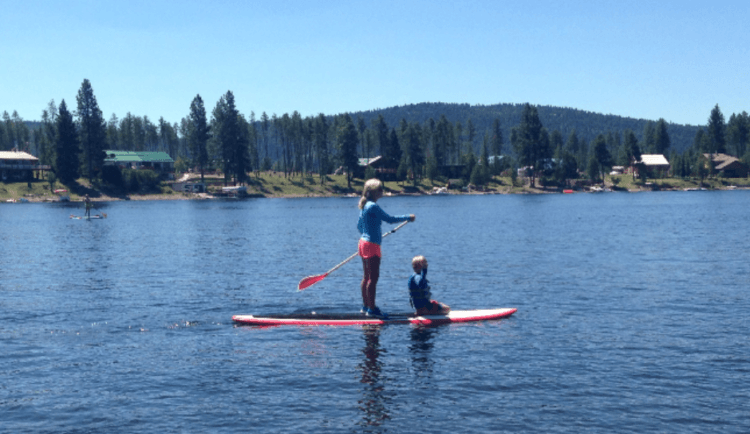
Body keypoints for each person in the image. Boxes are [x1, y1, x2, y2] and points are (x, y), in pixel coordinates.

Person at [358, 178, 415, 318]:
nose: (382, 191)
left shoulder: (365, 206)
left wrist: (369, 234)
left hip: (363, 244)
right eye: (380, 189)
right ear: (373, 192)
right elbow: (389, 219)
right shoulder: (373, 206)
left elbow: (359, 226)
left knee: (366, 277)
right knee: (373, 278)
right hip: (372, 245)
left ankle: (365, 307)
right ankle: (372, 309)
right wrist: (408, 217)